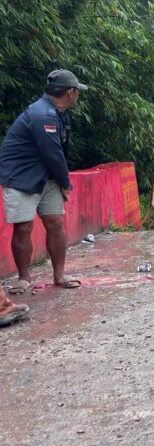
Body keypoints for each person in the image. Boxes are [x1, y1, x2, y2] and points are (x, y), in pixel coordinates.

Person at [0, 69, 86, 294]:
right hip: (21, 176)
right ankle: (23, 279)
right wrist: (65, 183)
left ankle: (59, 276)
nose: (78, 96)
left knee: (55, 222)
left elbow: (58, 152)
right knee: (23, 227)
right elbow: (52, 153)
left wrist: (58, 180)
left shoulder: (60, 114)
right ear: (71, 92)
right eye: (77, 92)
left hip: (46, 175)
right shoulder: (42, 114)